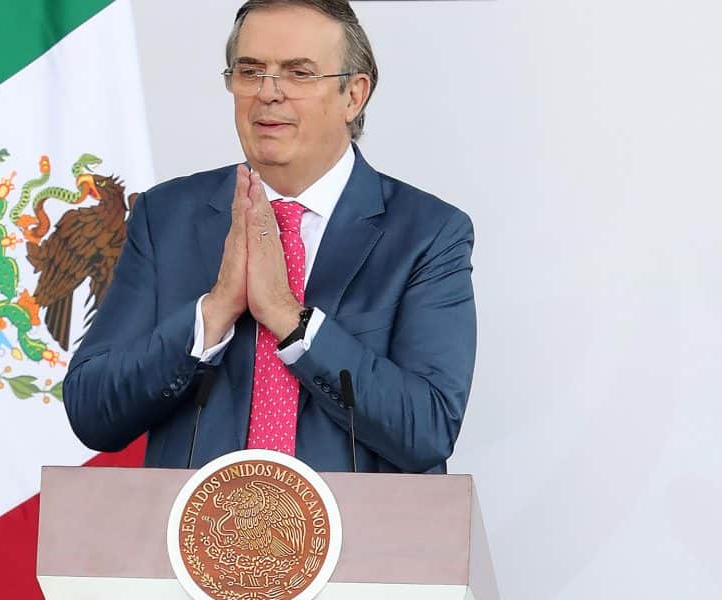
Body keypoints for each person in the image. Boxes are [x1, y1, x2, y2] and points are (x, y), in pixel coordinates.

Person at [63, 0, 476, 473]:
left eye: (298, 73)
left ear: (354, 95)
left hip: (354, 522)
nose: (268, 93)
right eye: (250, 71)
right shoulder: (166, 217)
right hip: (195, 519)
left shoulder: (428, 234)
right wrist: (214, 312)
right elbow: (92, 411)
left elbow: (428, 430)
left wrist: (286, 315)